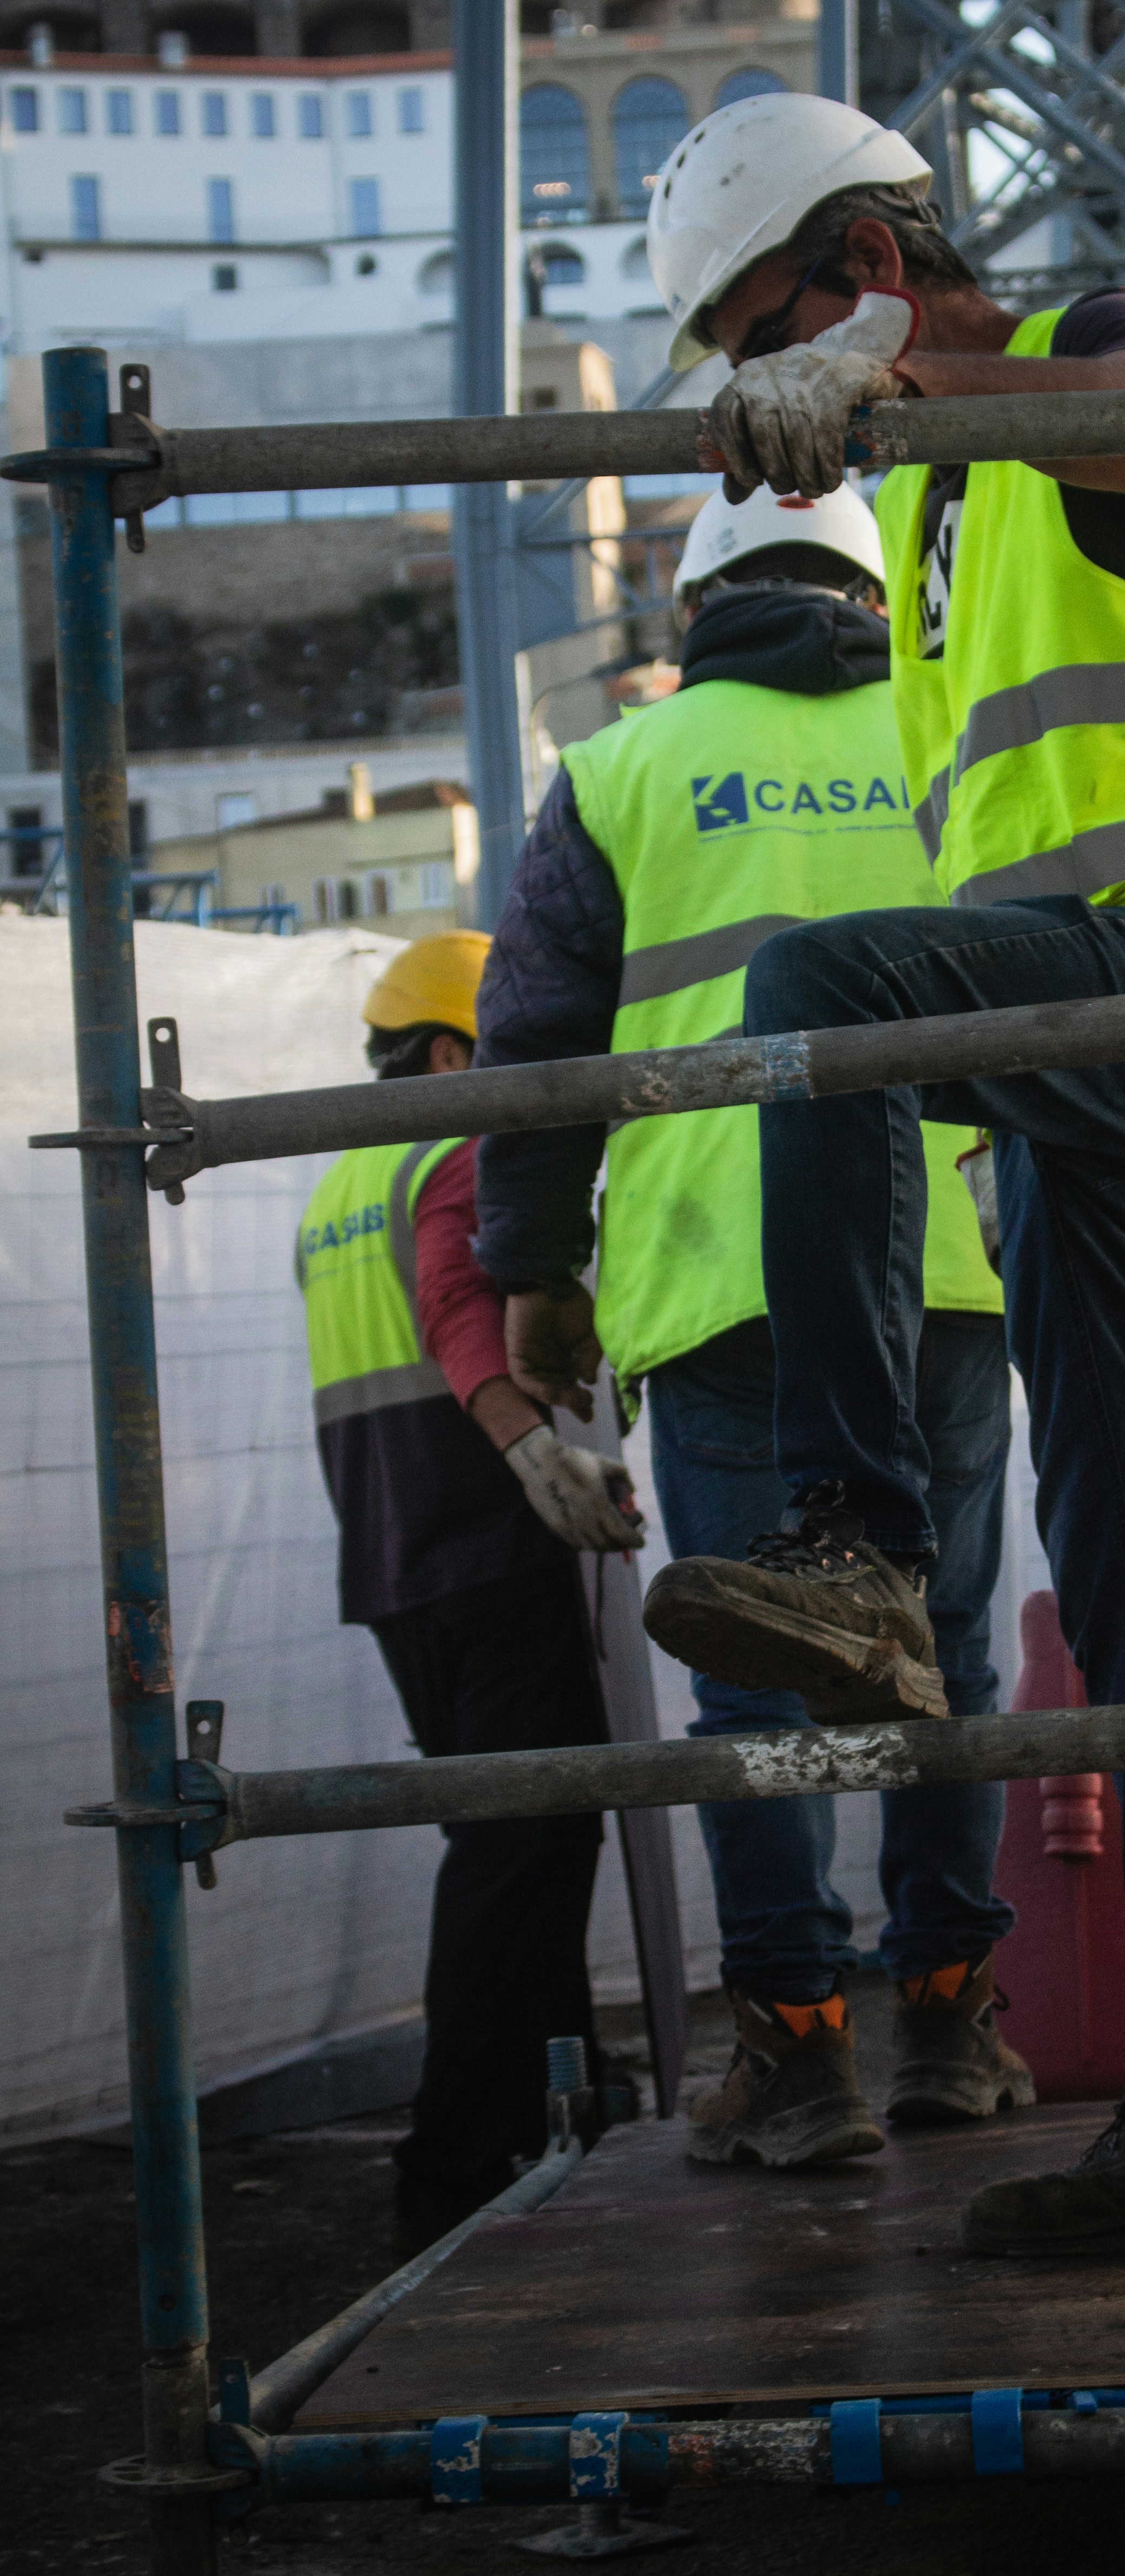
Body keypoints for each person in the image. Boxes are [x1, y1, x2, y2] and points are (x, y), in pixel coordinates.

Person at [594, 89, 1125, 2258]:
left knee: (819, 977)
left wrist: (896, 370)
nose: (773, 401)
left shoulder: (1080, 359)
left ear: (862, 264)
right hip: (1074, 1079)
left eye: (767, 333)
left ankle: (849, 1553)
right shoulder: (931, 543)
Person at [471, 483, 1032, 2169]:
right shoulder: (953, 734)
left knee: (759, 1693)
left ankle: (795, 2048)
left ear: (697, 606)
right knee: (945, 1650)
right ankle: (945, 2016)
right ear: (873, 594)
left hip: (721, 1280)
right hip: (940, 1262)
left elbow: (541, 1043)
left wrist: (536, 1267)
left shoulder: (627, 769)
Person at [296, 930, 643, 2235]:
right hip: (493, 1540)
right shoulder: (453, 1150)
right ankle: (455, 2166)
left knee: (524, 1839)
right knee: (525, 1845)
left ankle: (571, 2097)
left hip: (394, 1562)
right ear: (453, 1054)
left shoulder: (334, 1180)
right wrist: (538, 1446)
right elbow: (457, 1297)